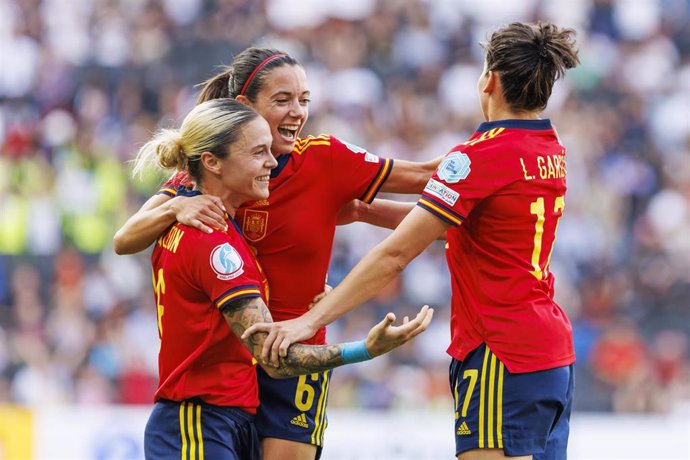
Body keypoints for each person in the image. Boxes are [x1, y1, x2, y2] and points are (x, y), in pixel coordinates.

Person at [245, 22, 580, 460]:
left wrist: (311, 322)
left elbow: (398, 252)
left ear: (489, 80)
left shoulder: (480, 155)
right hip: (551, 355)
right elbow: (460, 224)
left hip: (501, 352)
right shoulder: (549, 150)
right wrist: (365, 210)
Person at [113, 47, 441, 460]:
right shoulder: (204, 179)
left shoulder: (322, 158)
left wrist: (463, 206)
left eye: (304, 100)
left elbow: (412, 184)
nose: (297, 113)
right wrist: (176, 205)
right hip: (230, 369)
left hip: (296, 356)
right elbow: (124, 239)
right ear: (244, 106)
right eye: (282, 100)